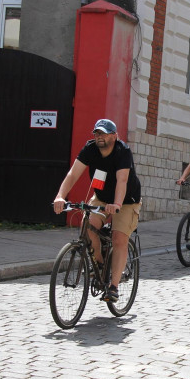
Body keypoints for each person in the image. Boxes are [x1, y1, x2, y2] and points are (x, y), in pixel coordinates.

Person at [53, 119, 142, 303]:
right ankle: (100, 263)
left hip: (126, 200)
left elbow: (122, 181)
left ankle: (114, 287)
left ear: (114, 136)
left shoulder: (122, 151)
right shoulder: (90, 148)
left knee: (119, 237)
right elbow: (73, 174)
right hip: (101, 197)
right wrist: (60, 196)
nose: (99, 137)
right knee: (88, 226)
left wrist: (116, 204)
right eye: (97, 133)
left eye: (104, 133)